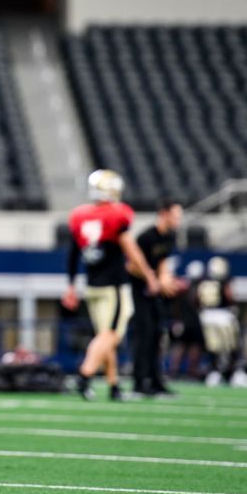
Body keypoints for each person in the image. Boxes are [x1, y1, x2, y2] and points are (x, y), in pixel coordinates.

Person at [62, 169, 161, 401]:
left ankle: (114, 386)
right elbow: (129, 248)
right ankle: (84, 375)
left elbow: (73, 253)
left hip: (92, 285)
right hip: (113, 286)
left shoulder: (80, 216)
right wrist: (148, 275)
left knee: (104, 337)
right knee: (111, 336)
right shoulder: (117, 214)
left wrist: (70, 285)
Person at [131, 200, 182, 397]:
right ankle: (139, 382)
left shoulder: (169, 236)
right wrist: (152, 279)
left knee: (157, 335)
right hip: (139, 291)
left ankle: (156, 381)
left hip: (154, 293)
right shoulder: (146, 237)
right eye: (176, 215)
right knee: (143, 336)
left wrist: (166, 279)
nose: (179, 220)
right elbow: (131, 265)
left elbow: (162, 262)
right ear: (164, 213)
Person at [197, 256, 247, 388]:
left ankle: (214, 373)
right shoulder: (224, 280)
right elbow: (229, 294)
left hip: (207, 315)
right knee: (232, 346)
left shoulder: (204, 280)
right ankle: (235, 373)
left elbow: (198, 298)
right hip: (223, 315)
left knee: (213, 348)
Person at [167, 259, 206, 379]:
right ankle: (190, 371)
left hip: (183, 321)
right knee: (192, 346)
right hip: (192, 321)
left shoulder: (184, 286)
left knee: (182, 346)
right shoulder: (195, 287)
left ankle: (175, 370)